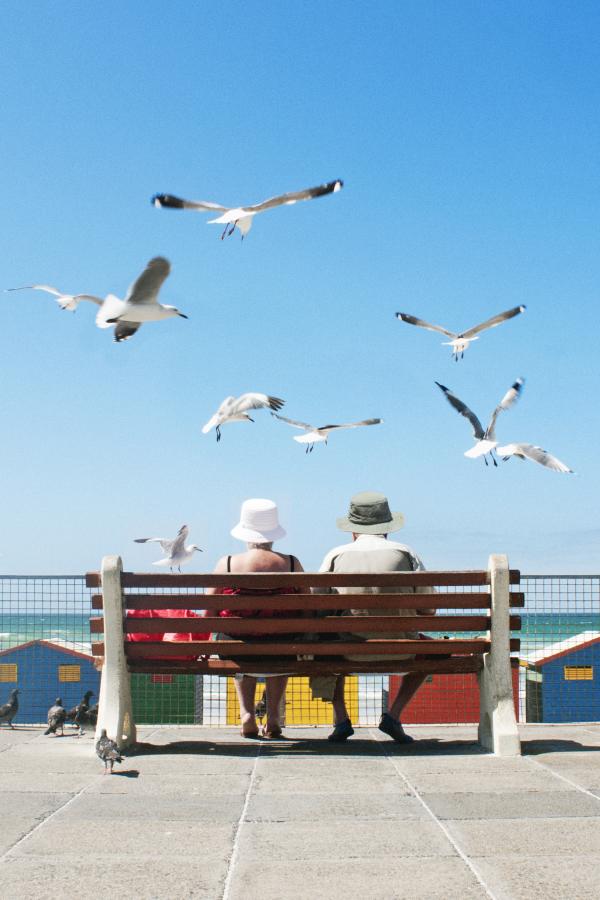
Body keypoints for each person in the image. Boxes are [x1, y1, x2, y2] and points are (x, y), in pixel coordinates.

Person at [313, 491, 435, 744]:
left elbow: (318, 607)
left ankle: (341, 720)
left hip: (347, 651)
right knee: (433, 652)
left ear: (353, 530)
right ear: (388, 528)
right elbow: (429, 609)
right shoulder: (406, 553)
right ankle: (394, 715)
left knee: (326, 645)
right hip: (403, 650)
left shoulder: (336, 555)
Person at [206, 498, 304, 739]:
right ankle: (272, 719)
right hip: (283, 647)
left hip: (238, 649)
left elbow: (209, 612)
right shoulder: (291, 564)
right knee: (283, 641)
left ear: (245, 533)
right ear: (274, 535)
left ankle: (247, 714)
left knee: (237, 639)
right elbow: (307, 609)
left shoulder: (227, 564)